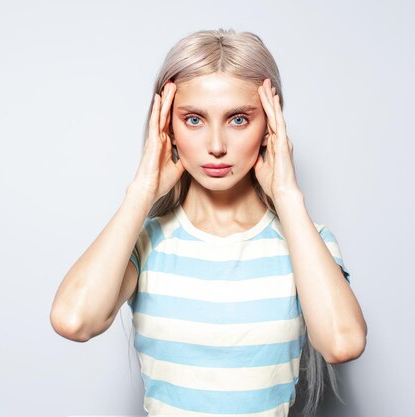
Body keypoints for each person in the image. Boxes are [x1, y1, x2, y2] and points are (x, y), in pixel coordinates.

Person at [50, 28, 367, 417]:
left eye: (238, 119)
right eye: (194, 119)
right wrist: (142, 191)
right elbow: (73, 320)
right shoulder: (144, 242)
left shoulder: (307, 242)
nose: (216, 145)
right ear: (167, 126)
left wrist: (287, 197)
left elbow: (342, 343)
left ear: (270, 126)